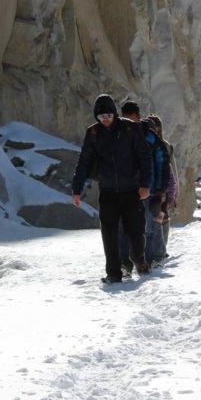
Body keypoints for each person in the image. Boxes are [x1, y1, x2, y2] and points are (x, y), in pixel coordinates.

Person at [71, 94, 152, 284]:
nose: (105, 119)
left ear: (114, 113)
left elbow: (144, 157)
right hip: (107, 192)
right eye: (101, 117)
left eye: (108, 115)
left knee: (136, 230)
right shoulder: (93, 133)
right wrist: (77, 189)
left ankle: (139, 258)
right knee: (109, 233)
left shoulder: (130, 128)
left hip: (132, 190)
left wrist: (145, 185)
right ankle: (113, 273)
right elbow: (84, 161)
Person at [116, 101, 169, 270]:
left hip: (150, 190)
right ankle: (131, 262)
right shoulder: (119, 137)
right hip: (127, 191)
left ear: (138, 117)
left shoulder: (150, 137)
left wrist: (161, 191)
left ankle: (156, 258)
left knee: (151, 225)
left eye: (131, 119)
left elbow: (162, 164)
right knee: (126, 228)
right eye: (125, 119)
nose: (128, 123)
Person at [146, 114, 177, 257]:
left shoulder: (165, 146)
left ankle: (161, 251)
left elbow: (172, 172)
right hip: (150, 190)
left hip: (163, 190)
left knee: (162, 219)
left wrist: (173, 195)